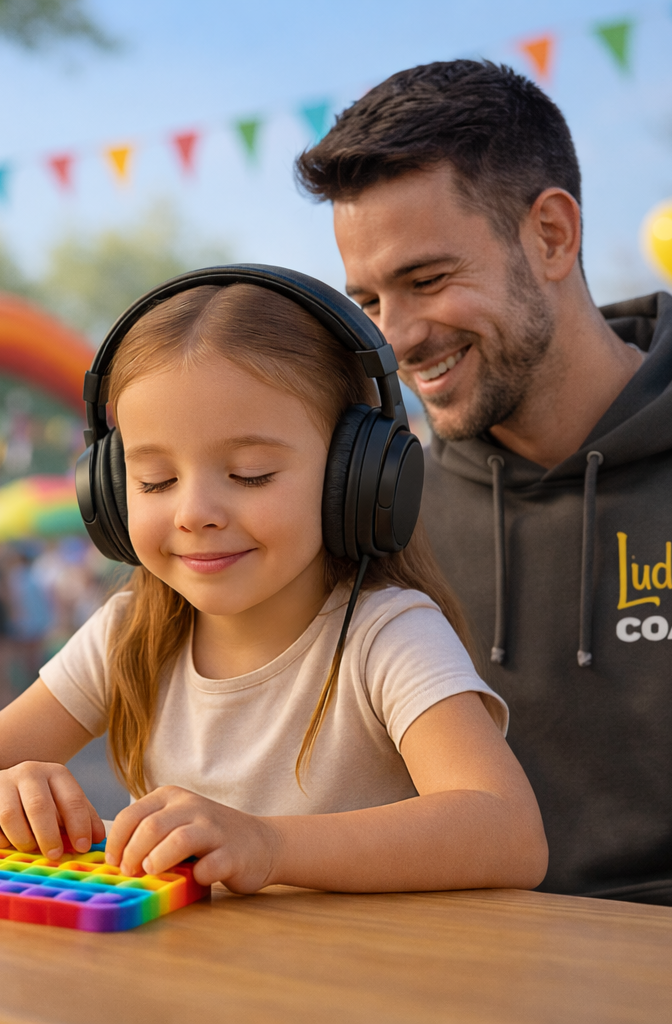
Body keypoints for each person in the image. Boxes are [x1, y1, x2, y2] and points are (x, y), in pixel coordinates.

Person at [0, 280, 547, 894]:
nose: (194, 513)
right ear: (109, 491)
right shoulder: (128, 632)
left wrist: (270, 846)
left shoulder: (389, 635)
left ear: (357, 478)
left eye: (251, 474)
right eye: (156, 481)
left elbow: (509, 830)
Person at [296, 60, 672, 904]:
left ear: (550, 236)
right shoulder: (382, 512)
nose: (395, 339)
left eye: (427, 281)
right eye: (370, 300)